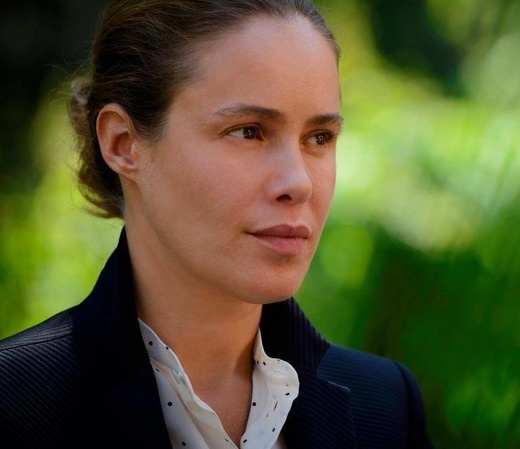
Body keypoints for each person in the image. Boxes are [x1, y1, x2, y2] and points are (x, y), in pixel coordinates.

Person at [0, 0, 434, 448]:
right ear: (123, 143)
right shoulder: (16, 406)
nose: (299, 183)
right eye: (248, 131)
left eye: (319, 137)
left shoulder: (383, 405)